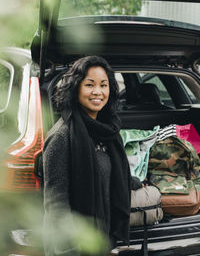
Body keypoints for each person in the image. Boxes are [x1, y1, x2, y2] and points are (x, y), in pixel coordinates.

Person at [42, 55, 131, 254]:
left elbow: (110, 175)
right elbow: (56, 205)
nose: (98, 92)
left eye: (104, 85)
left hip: (101, 241)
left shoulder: (108, 131)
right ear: (76, 88)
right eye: (89, 85)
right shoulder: (61, 137)